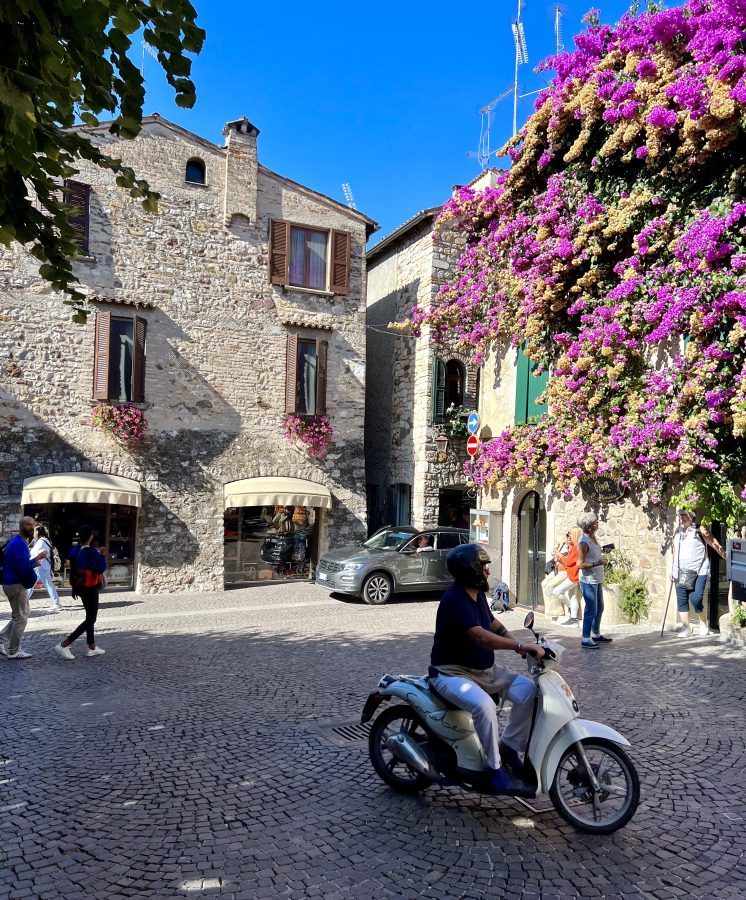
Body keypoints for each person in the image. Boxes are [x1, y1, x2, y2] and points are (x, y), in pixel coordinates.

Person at [429, 543, 544, 796]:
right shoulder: (454, 600)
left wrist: (517, 643)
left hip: (485, 671)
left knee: (531, 693)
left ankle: (509, 747)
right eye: (483, 567)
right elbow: (481, 637)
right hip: (451, 673)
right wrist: (519, 644)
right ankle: (493, 768)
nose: (487, 572)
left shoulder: (477, 594)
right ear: (470, 570)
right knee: (485, 706)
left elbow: (491, 622)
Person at [53, 526, 107, 660]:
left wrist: (74, 588)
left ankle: (92, 647)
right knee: (91, 618)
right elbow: (100, 568)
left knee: (89, 616)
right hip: (90, 587)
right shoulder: (91, 552)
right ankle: (65, 644)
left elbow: (73, 570)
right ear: (91, 536)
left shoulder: (75, 550)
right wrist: (103, 556)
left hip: (80, 587)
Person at [671, 510, 725, 638]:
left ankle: (703, 622)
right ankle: (686, 628)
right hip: (681, 572)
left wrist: (728, 558)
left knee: (696, 599)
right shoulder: (677, 532)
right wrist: (672, 570)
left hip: (699, 571)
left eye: (685, 515)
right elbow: (675, 551)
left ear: (692, 517)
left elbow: (714, 543)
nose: (682, 518)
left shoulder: (699, 530)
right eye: (681, 515)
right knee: (682, 600)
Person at [1, 516, 48, 659]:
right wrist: (37, 558)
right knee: (21, 618)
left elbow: (19, 564)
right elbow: (21, 567)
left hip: (12, 583)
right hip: (15, 584)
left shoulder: (17, 541)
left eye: (34, 526)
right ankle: (13, 651)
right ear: (24, 527)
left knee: (21, 615)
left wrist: (33, 562)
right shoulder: (19, 544)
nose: (34, 529)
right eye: (31, 526)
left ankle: (1, 639)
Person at [577, 512, 612, 650]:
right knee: (591, 609)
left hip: (597, 578)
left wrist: (604, 550)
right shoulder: (583, 542)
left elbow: (593, 553)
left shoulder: (593, 538)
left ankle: (596, 634)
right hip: (588, 579)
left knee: (600, 608)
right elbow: (579, 564)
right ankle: (586, 638)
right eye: (595, 522)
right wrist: (597, 563)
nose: (598, 524)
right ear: (589, 526)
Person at [552, 526, 582, 626]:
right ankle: (573, 620)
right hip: (574, 575)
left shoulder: (576, 548)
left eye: (570, 535)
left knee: (557, 591)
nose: (569, 537)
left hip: (573, 576)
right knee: (572, 597)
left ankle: (569, 607)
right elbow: (568, 562)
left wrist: (559, 554)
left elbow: (569, 562)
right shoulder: (575, 547)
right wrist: (560, 558)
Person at [28, 524, 61, 613]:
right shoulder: (45, 540)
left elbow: (34, 554)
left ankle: (56, 603)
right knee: (33, 584)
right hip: (43, 566)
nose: (33, 533)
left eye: (34, 531)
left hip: (40, 566)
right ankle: (24, 601)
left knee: (45, 584)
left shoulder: (41, 541)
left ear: (38, 532)